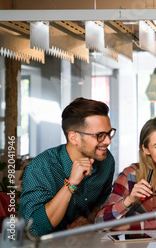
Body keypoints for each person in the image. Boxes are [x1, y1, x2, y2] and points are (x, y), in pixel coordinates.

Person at [19, 97, 115, 236]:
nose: (108, 141)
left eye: (109, 133)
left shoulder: (106, 161)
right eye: (100, 135)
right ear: (73, 138)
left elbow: (103, 200)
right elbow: (34, 228)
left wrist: (89, 221)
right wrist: (71, 184)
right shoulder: (40, 167)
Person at [96, 117, 156, 229]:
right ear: (146, 149)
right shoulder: (130, 174)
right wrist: (129, 200)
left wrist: (129, 226)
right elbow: (100, 222)